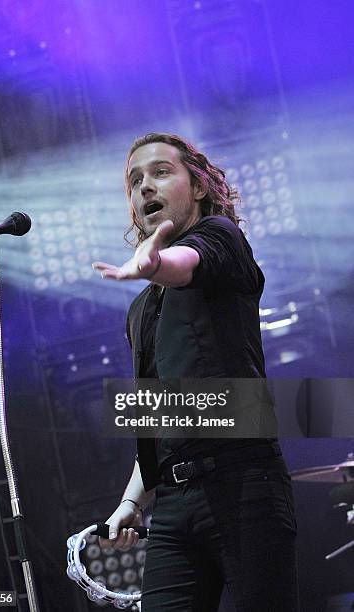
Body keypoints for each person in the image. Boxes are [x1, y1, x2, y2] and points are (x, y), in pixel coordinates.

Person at [92, 133, 299, 611]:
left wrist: (156, 261)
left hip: (243, 486)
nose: (145, 186)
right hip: (172, 508)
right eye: (135, 181)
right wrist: (131, 502)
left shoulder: (223, 240)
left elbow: (186, 262)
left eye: (161, 172)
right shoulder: (140, 311)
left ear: (200, 186)